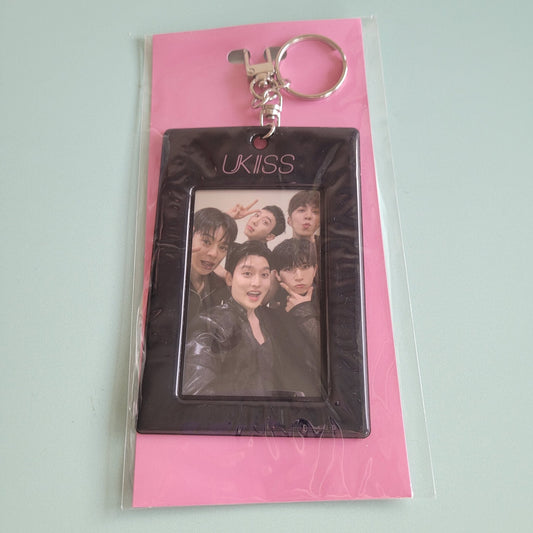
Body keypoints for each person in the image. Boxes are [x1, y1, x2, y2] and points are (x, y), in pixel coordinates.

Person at [182, 240, 321, 397]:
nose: (257, 283)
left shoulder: (273, 319)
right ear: (229, 278)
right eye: (247, 273)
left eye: (264, 275)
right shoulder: (211, 324)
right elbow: (195, 393)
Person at [187, 207, 238, 321]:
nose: (214, 254)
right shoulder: (168, 279)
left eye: (222, 247)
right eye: (206, 242)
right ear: (189, 236)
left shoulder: (220, 285)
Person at [271, 238, 320, 346]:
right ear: (277, 275)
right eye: (289, 269)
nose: (299, 277)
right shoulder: (276, 305)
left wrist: (302, 309)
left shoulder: (331, 301)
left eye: (305, 267)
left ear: (315, 270)